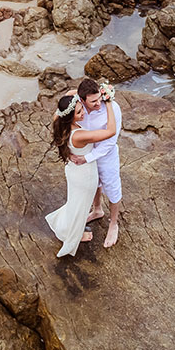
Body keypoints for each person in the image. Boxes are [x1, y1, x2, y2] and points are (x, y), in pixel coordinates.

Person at [44, 90, 117, 257]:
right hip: (85, 177)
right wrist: (109, 103)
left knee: (75, 203)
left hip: (73, 171)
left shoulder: (60, 123)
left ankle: (68, 226)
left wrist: (80, 93)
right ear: (70, 117)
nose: (83, 112)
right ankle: (73, 235)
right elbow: (111, 131)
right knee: (81, 207)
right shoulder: (79, 135)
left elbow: (67, 98)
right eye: (79, 112)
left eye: (81, 108)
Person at [70, 78, 123, 248]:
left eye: (99, 98)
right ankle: (97, 210)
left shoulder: (112, 108)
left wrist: (87, 158)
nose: (98, 103)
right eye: (93, 101)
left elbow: (110, 140)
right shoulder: (78, 108)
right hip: (87, 153)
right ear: (82, 99)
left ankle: (114, 223)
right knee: (94, 184)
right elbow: (65, 104)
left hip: (106, 156)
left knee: (112, 188)